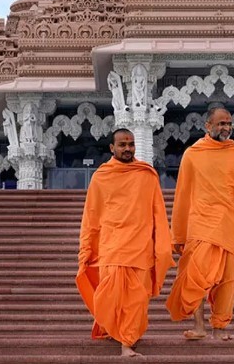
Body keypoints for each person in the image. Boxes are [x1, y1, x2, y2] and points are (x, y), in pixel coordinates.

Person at [166, 104, 234, 341]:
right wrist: (178, 235)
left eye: (229, 123)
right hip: (201, 224)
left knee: (228, 280)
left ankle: (219, 328)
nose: (226, 128)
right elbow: (183, 194)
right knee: (195, 277)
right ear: (207, 126)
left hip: (231, 225)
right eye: (221, 123)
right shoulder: (192, 154)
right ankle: (199, 326)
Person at [76, 129, 173, 358]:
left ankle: (127, 342)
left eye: (130, 144)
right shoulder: (101, 176)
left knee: (136, 300)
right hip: (111, 246)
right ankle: (118, 332)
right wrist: (86, 248)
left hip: (139, 247)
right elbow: (91, 216)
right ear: (112, 148)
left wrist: (162, 245)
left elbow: (158, 212)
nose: (127, 149)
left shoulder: (146, 175)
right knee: (110, 296)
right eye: (122, 145)